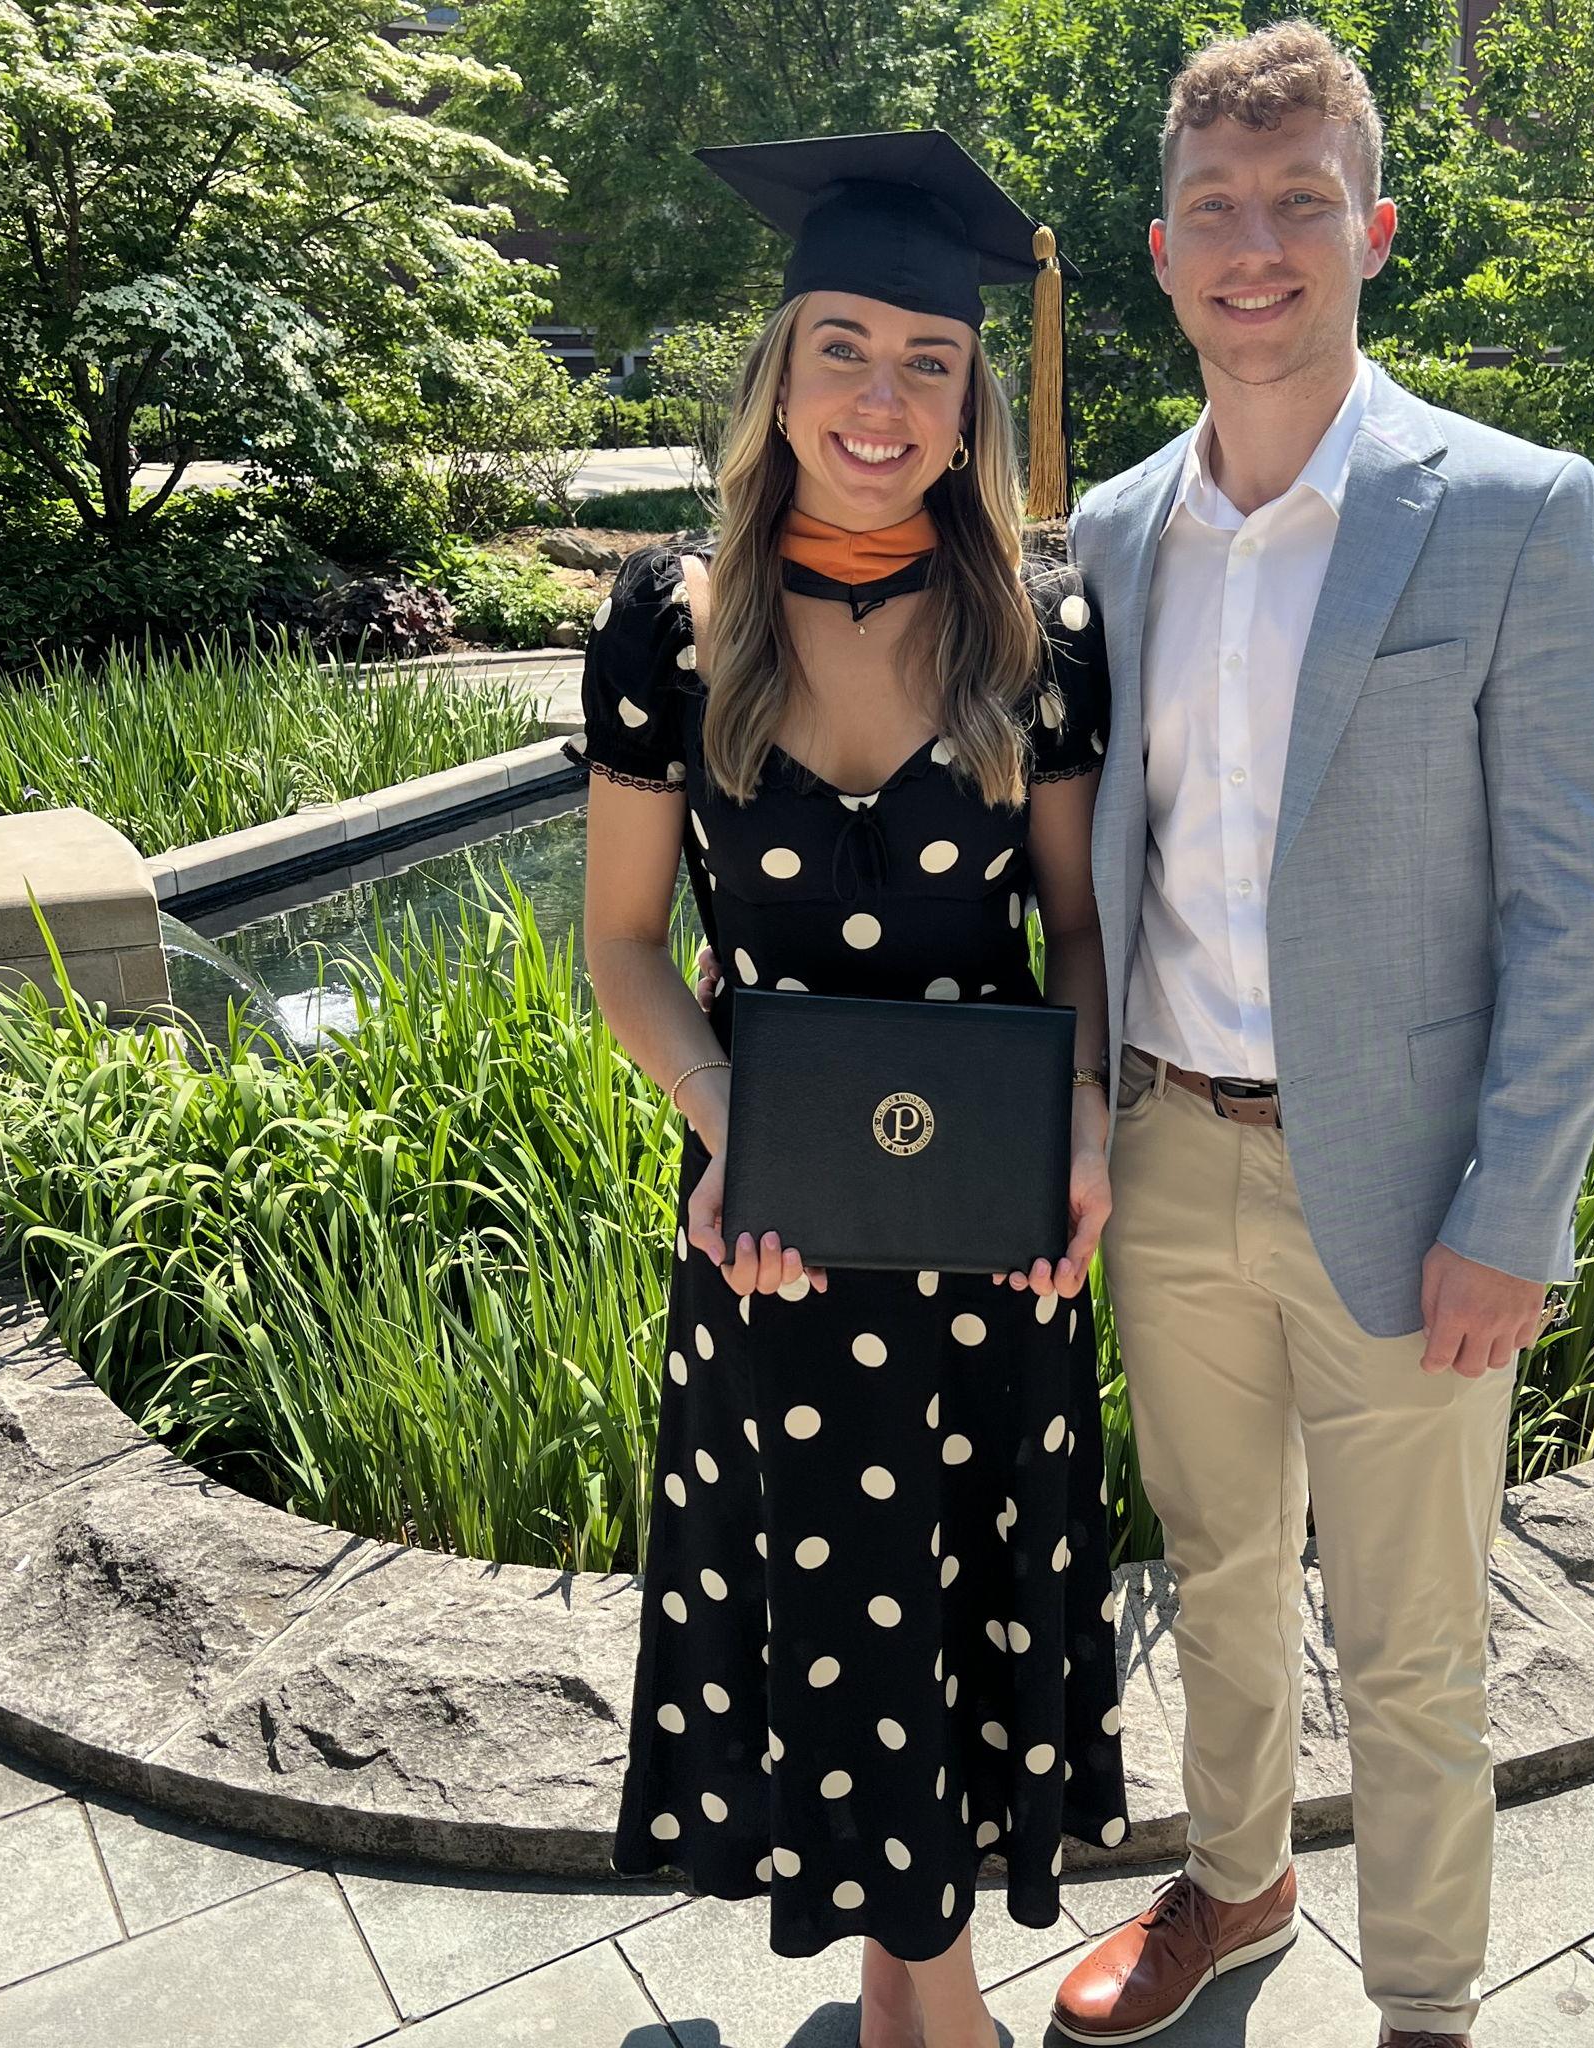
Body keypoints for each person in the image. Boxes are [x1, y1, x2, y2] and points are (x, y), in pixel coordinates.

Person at [1048, 23, 1594, 2048]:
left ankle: (1426, 2004)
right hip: (1168, 1154)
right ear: (1159, 249)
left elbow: (1579, 903)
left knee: (1410, 1645)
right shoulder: (1114, 536)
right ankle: (1232, 1885)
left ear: (1373, 230)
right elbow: (1094, 875)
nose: (1257, 247)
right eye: (1215, 209)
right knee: (1213, 1573)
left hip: (1402, 1188)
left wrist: (1514, 1208)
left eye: (1300, 203)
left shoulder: (1512, 511)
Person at [563, 131, 1129, 2048]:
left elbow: (1074, 927)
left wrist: (1085, 1127)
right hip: (781, 1237)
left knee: (949, 1612)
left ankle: (914, 2007)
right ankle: (934, 2020)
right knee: (850, 1605)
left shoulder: (1041, 622)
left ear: (972, 399)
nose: (882, 401)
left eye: (929, 361)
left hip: (995, 1238)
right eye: (845, 350)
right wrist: (733, 1133)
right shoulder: (670, 622)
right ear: (779, 367)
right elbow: (624, 949)